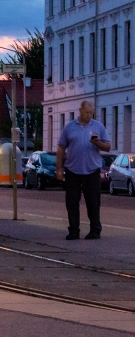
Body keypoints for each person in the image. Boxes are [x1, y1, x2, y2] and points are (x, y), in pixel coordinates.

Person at [56, 100, 109, 240]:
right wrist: (59, 169)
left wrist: (98, 143)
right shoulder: (70, 127)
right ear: (80, 111)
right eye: (86, 112)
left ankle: (95, 230)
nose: (88, 115)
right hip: (73, 169)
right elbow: (61, 148)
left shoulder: (98, 126)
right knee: (72, 202)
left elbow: (108, 146)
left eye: (91, 113)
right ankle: (74, 230)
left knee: (93, 201)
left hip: (92, 170)